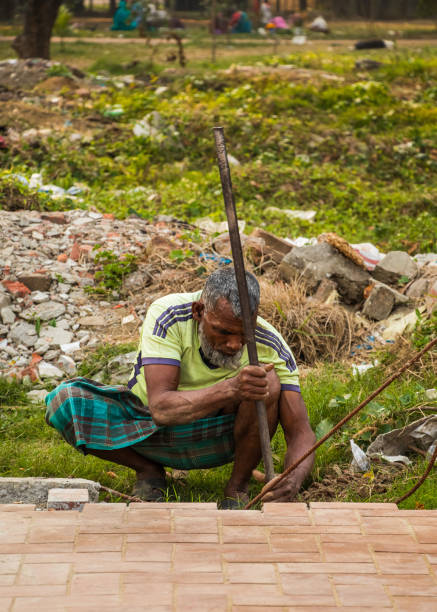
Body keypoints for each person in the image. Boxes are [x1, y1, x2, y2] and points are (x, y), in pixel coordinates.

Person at [45, 268, 316, 508]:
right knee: (65, 402)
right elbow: (161, 410)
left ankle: (237, 489)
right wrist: (231, 388)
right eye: (222, 331)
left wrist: (292, 479)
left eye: (244, 333)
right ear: (198, 312)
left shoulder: (271, 345)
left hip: (221, 438)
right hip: (145, 428)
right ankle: (148, 470)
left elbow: (301, 431)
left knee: (268, 383)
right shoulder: (168, 315)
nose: (234, 344)